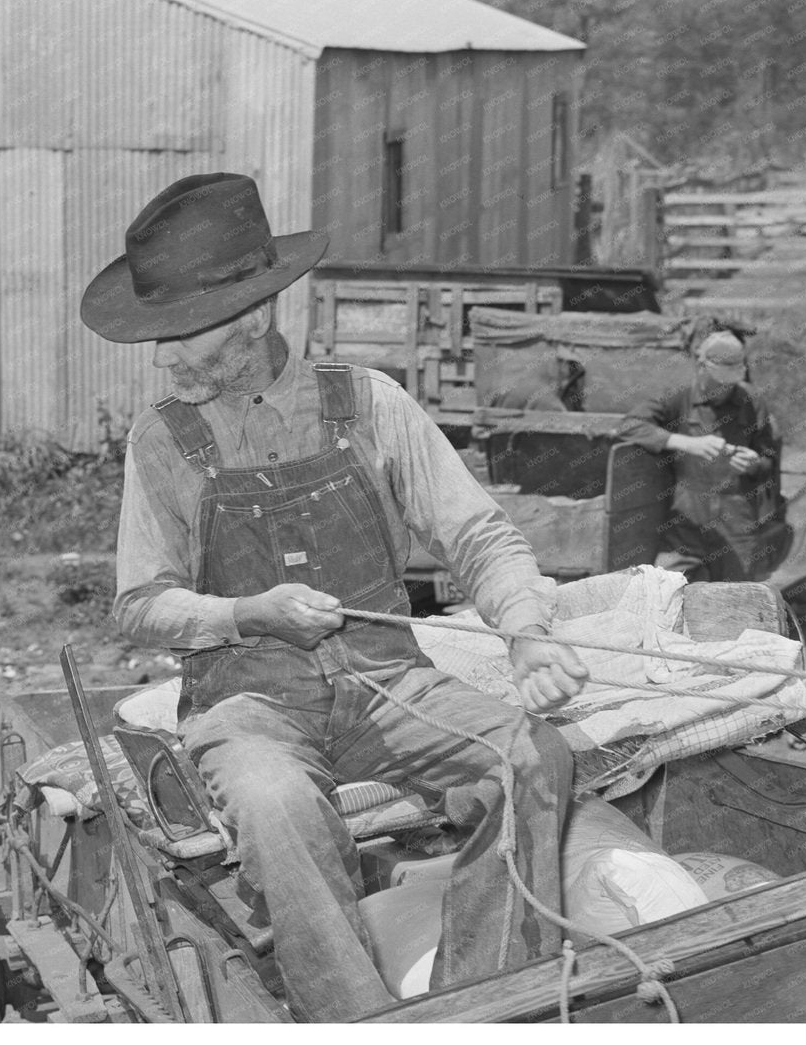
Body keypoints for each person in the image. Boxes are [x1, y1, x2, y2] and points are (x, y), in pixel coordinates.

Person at [80, 172, 590, 1022]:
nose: (164, 358)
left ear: (248, 320)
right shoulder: (163, 440)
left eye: (178, 338)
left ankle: (484, 998)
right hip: (249, 706)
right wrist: (244, 615)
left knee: (536, 756)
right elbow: (138, 602)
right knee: (278, 809)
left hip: (390, 687)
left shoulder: (369, 404)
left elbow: (478, 537)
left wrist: (528, 632)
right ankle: (355, 1021)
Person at [618, 329, 789, 582]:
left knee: (739, 595)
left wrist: (753, 464)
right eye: (718, 381)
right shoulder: (679, 397)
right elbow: (629, 425)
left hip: (736, 519)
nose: (724, 388)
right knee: (663, 589)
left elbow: (768, 461)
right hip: (687, 517)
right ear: (701, 366)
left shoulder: (751, 402)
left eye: (730, 381)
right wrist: (686, 443)